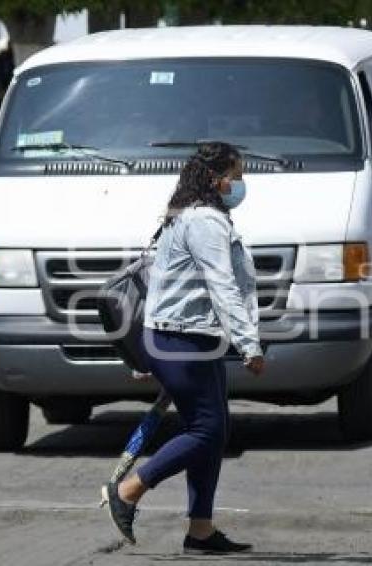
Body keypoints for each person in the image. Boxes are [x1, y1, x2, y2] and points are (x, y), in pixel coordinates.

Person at [103, 142, 265, 555]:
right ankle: (129, 490)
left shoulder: (186, 216)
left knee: (213, 430)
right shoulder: (205, 221)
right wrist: (249, 343)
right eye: (237, 175)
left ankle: (201, 530)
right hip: (181, 338)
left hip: (189, 337)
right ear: (216, 179)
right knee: (207, 430)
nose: (241, 184)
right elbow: (221, 283)